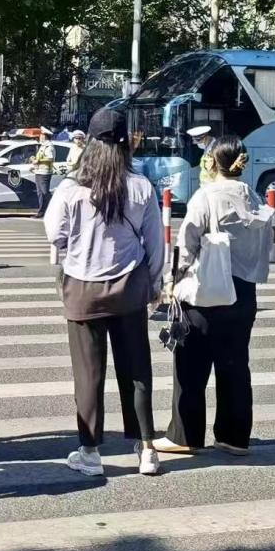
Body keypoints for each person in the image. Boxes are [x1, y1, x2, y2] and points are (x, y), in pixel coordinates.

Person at [45, 107, 165, 477]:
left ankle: (90, 453)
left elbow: (55, 236)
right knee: (136, 370)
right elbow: (155, 244)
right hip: (129, 289)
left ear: (90, 144)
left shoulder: (70, 189)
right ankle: (146, 449)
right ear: (126, 142)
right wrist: (156, 285)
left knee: (88, 373)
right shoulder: (142, 187)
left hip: (83, 289)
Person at [154, 135, 275, 458]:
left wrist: (171, 282)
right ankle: (235, 437)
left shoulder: (205, 197)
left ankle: (185, 435)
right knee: (234, 364)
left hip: (207, 293)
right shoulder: (255, 199)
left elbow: (187, 245)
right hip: (244, 293)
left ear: (211, 162)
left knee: (191, 367)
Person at [29, 130, 56, 218]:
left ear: (45, 136)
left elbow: (50, 158)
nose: (40, 137)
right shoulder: (43, 146)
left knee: (45, 192)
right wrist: (34, 161)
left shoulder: (49, 146)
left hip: (45, 172)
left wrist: (39, 160)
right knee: (40, 193)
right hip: (39, 171)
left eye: (41, 135)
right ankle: (42, 211)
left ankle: (51, 209)